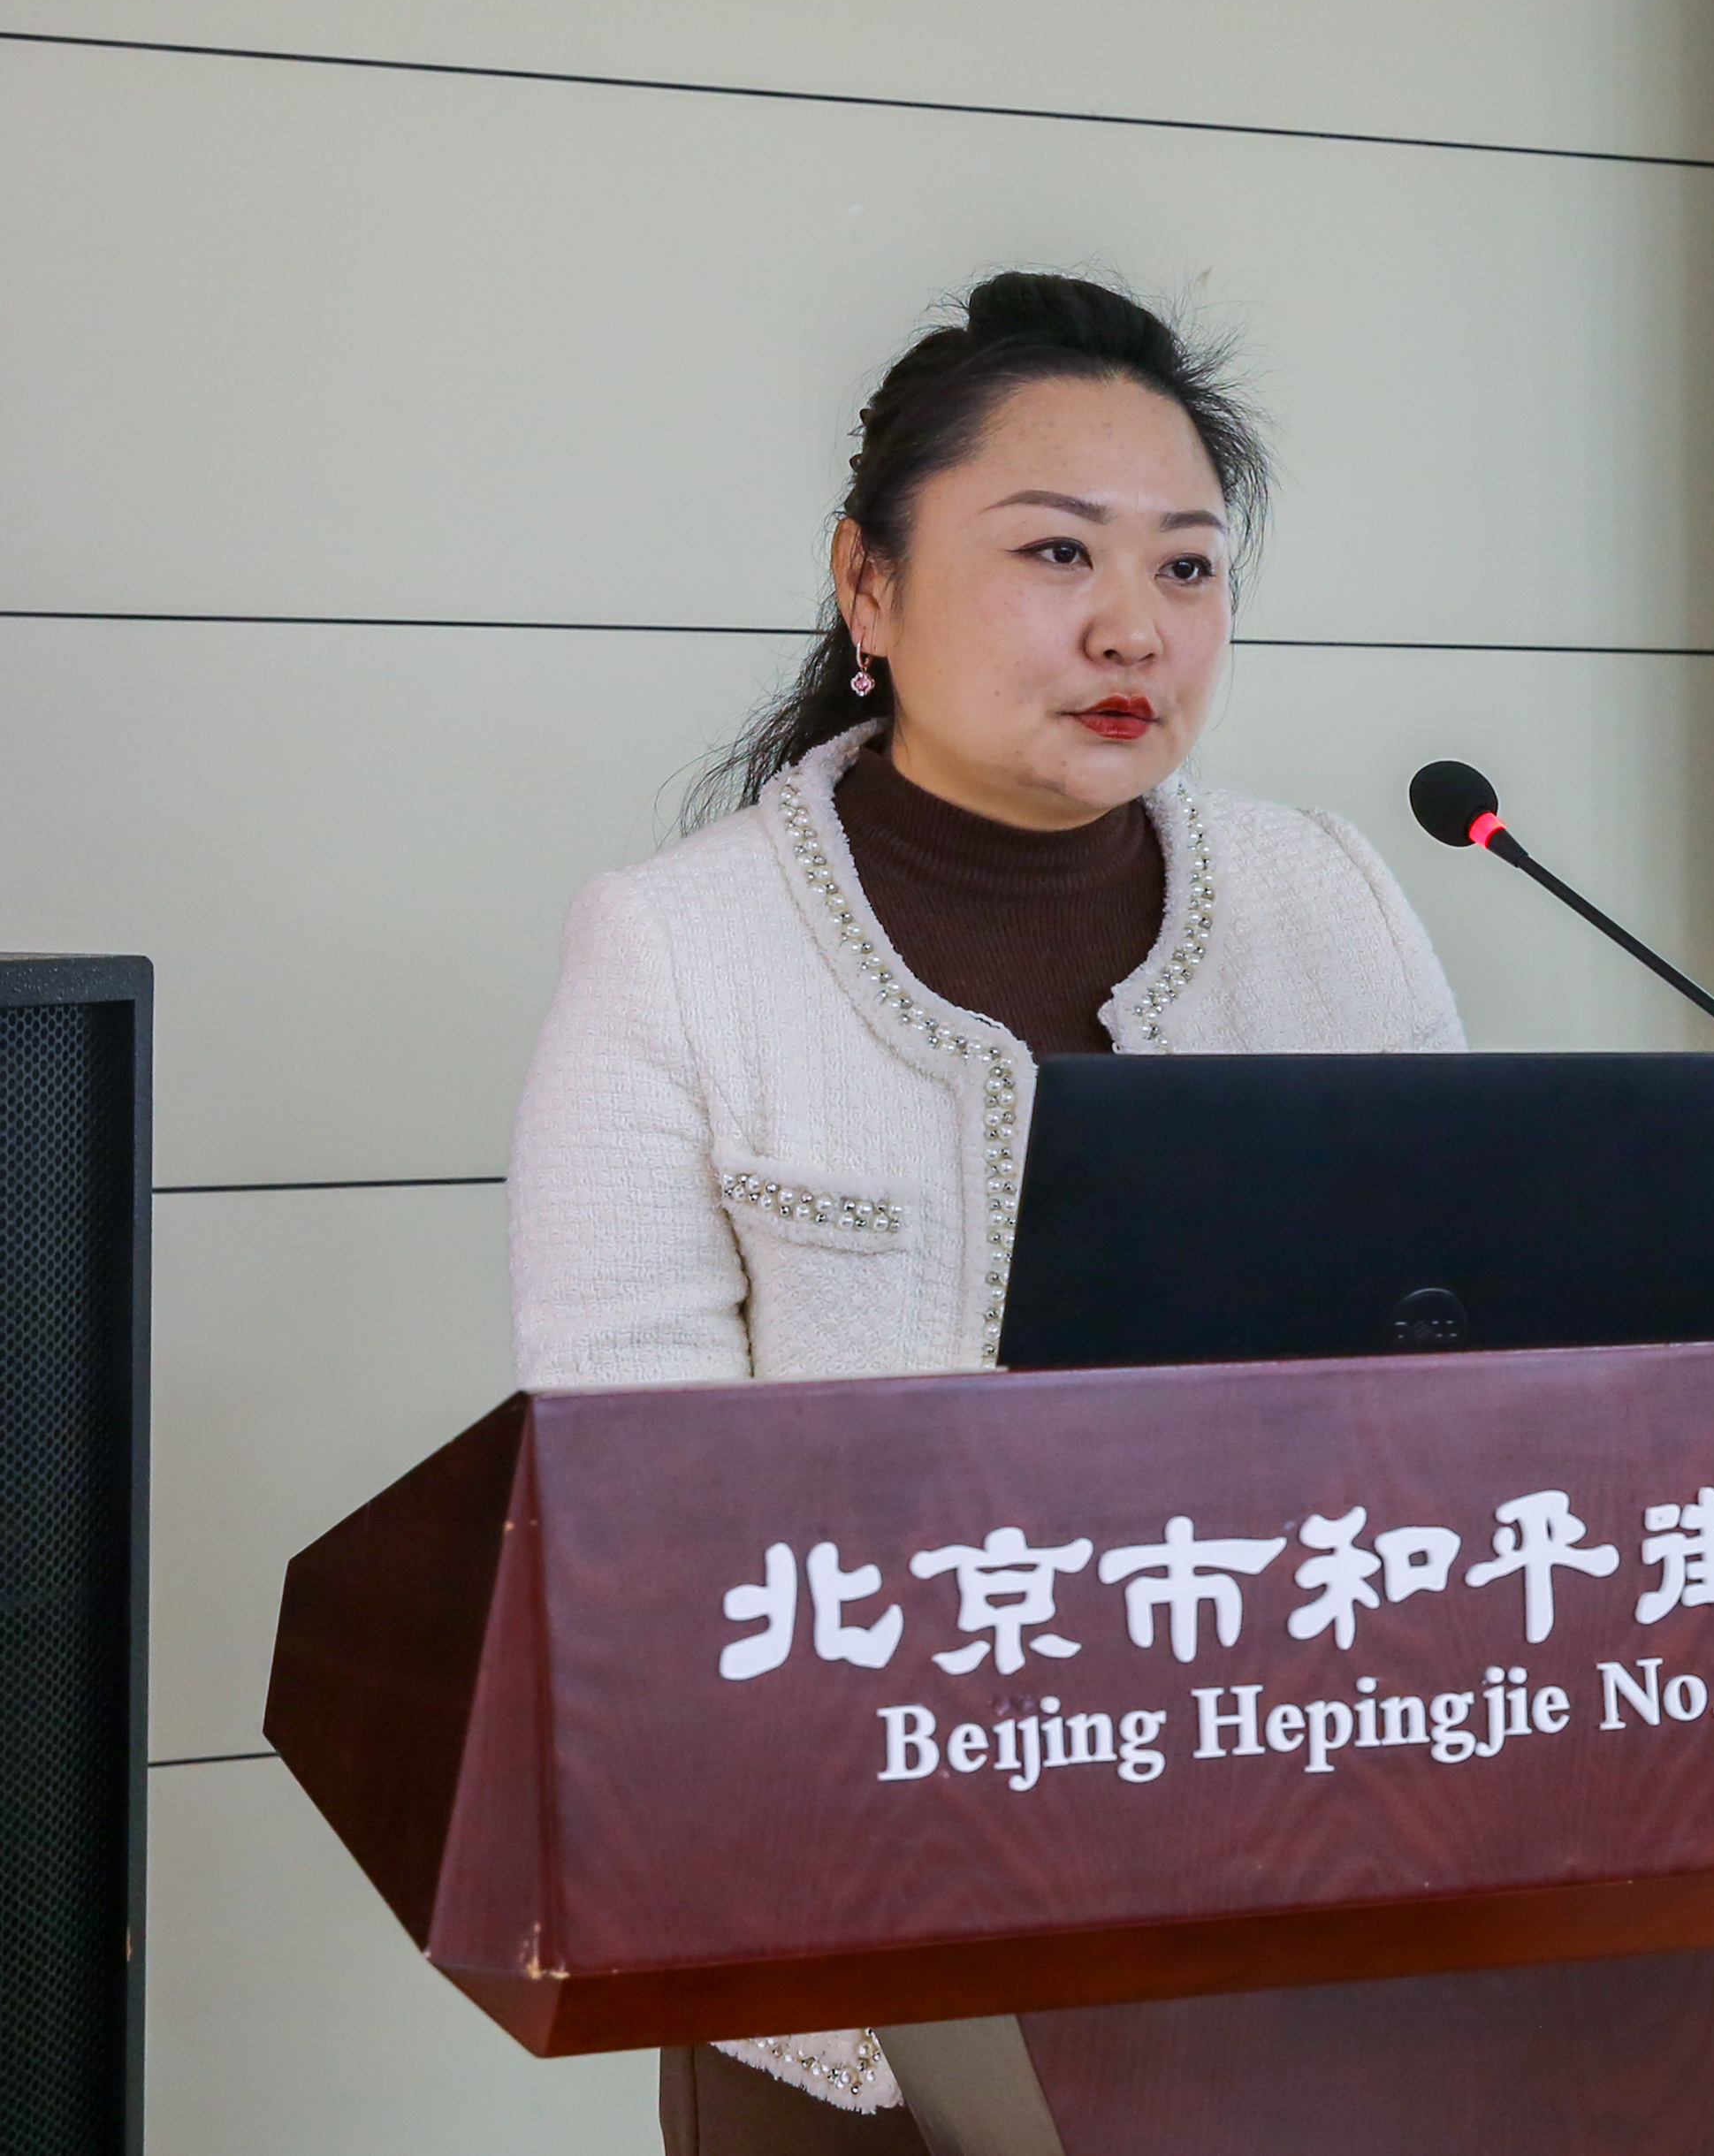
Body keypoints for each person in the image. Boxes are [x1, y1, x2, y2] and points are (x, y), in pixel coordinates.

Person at [507, 275, 1467, 2145]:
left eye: (1186, 567)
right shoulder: (681, 950)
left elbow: (1465, 1382)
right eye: (1054, 551)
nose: (1134, 625)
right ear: (865, 585)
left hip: (1287, 1899)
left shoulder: (1330, 903)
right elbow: (628, 1504)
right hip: (847, 1946)